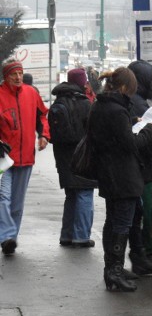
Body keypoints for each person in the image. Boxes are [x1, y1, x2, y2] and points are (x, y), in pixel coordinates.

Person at [88, 67, 152, 291]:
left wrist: (131, 122)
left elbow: (111, 135)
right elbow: (130, 144)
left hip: (108, 173)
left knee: (113, 221)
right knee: (122, 223)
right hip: (123, 174)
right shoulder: (116, 110)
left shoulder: (101, 104)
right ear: (126, 87)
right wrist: (149, 129)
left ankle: (112, 269)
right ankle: (115, 272)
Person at [0, 59, 50, 256]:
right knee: (3, 198)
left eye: (20, 73)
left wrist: (44, 135)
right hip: (3, 159)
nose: (18, 77)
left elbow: (42, 116)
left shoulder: (31, 93)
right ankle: (6, 235)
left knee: (17, 204)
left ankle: (10, 240)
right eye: (14, 74)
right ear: (6, 76)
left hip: (26, 157)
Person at [50, 68, 95, 248]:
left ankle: (67, 235)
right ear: (81, 83)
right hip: (83, 157)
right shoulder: (85, 104)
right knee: (84, 193)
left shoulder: (58, 103)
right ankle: (81, 236)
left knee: (71, 195)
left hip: (63, 158)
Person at [127, 60, 152, 275]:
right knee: (144, 214)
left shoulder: (132, 101)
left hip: (135, 168)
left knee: (136, 215)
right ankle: (144, 255)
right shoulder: (139, 104)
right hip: (142, 169)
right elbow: (147, 139)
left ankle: (140, 255)